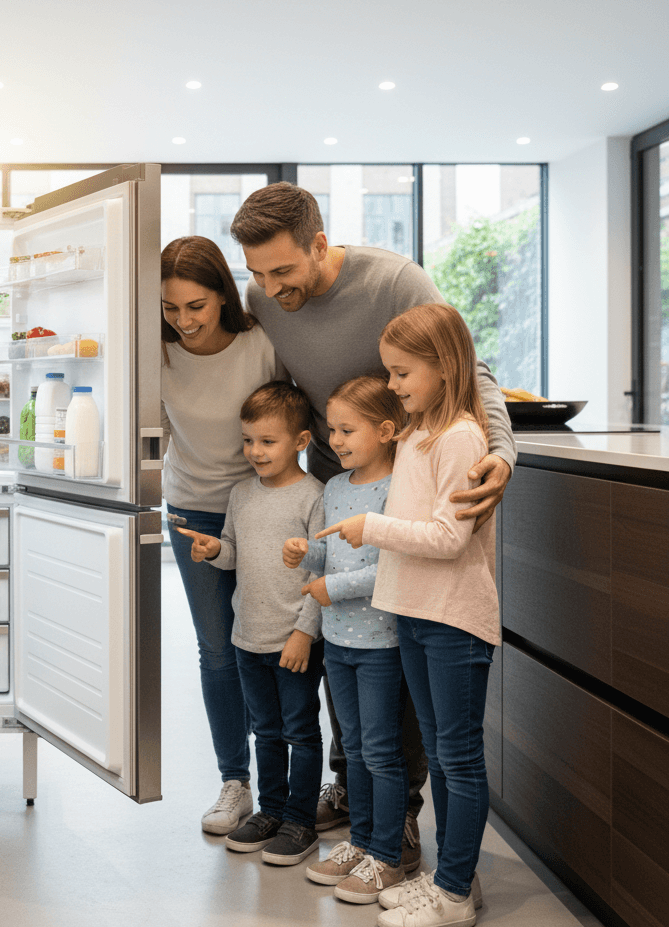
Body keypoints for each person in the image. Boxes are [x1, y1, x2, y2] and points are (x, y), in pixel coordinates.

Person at [230, 183, 516, 855]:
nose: (269, 288)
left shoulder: (394, 282)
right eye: (257, 274)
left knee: (395, 652)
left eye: (282, 270)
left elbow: (469, 370)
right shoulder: (260, 299)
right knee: (346, 645)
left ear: (319, 244)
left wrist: (502, 451)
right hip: (338, 487)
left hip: (406, 486)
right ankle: (352, 786)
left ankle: (401, 810)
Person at [319, 303, 500, 927]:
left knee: (459, 759)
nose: (392, 385)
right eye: (389, 373)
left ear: (444, 367)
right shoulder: (420, 436)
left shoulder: (461, 438)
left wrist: (371, 527)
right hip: (417, 615)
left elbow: (449, 537)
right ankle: (453, 879)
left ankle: (453, 894)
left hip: (454, 619)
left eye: (402, 373)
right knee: (442, 759)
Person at [160, 236, 288, 835]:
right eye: (170, 308)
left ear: (222, 296)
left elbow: (290, 419)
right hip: (192, 511)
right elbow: (151, 430)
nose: (183, 321)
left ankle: (286, 783)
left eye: (196, 306)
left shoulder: (261, 344)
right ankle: (234, 782)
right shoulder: (156, 353)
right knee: (216, 648)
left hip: (262, 509)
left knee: (270, 644)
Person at [177, 381, 325, 865]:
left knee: (300, 732)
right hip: (248, 639)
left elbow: (322, 571)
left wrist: (304, 632)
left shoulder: (313, 497)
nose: (255, 451)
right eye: (248, 440)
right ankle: (271, 811)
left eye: (267, 441)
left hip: (294, 641)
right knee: (265, 731)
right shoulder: (241, 494)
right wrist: (214, 551)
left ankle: (300, 821)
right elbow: (235, 554)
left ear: (300, 441)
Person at [281, 376, 415, 903]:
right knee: (354, 749)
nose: (334, 440)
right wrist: (305, 553)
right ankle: (360, 842)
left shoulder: (400, 489)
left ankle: (387, 855)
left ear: (385, 431)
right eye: (331, 430)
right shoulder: (335, 488)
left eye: (346, 430)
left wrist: (330, 588)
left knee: (381, 751)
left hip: (382, 644)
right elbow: (330, 554)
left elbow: (393, 567)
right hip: (337, 643)